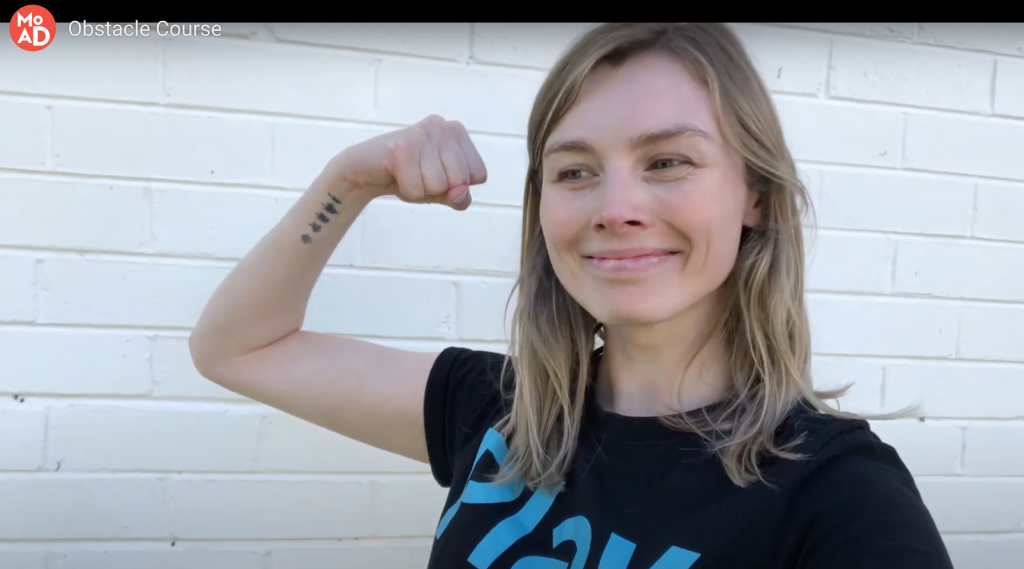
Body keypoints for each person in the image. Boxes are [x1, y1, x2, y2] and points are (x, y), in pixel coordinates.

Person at [190, 22, 954, 569]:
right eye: (575, 170)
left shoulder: (838, 491)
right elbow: (235, 347)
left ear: (753, 193)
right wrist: (346, 183)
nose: (613, 207)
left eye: (667, 161)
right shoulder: (494, 409)